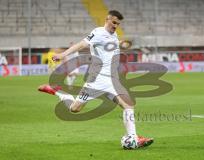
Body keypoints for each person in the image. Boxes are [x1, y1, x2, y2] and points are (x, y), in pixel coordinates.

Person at [38, 10, 153, 149]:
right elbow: (81, 44)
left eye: (118, 23)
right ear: (107, 19)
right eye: (114, 22)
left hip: (111, 80)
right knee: (75, 109)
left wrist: (121, 46)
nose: (116, 25)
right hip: (96, 80)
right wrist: (63, 54)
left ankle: (133, 138)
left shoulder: (114, 35)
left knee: (128, 106)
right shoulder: (98, 33)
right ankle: (59, 93)